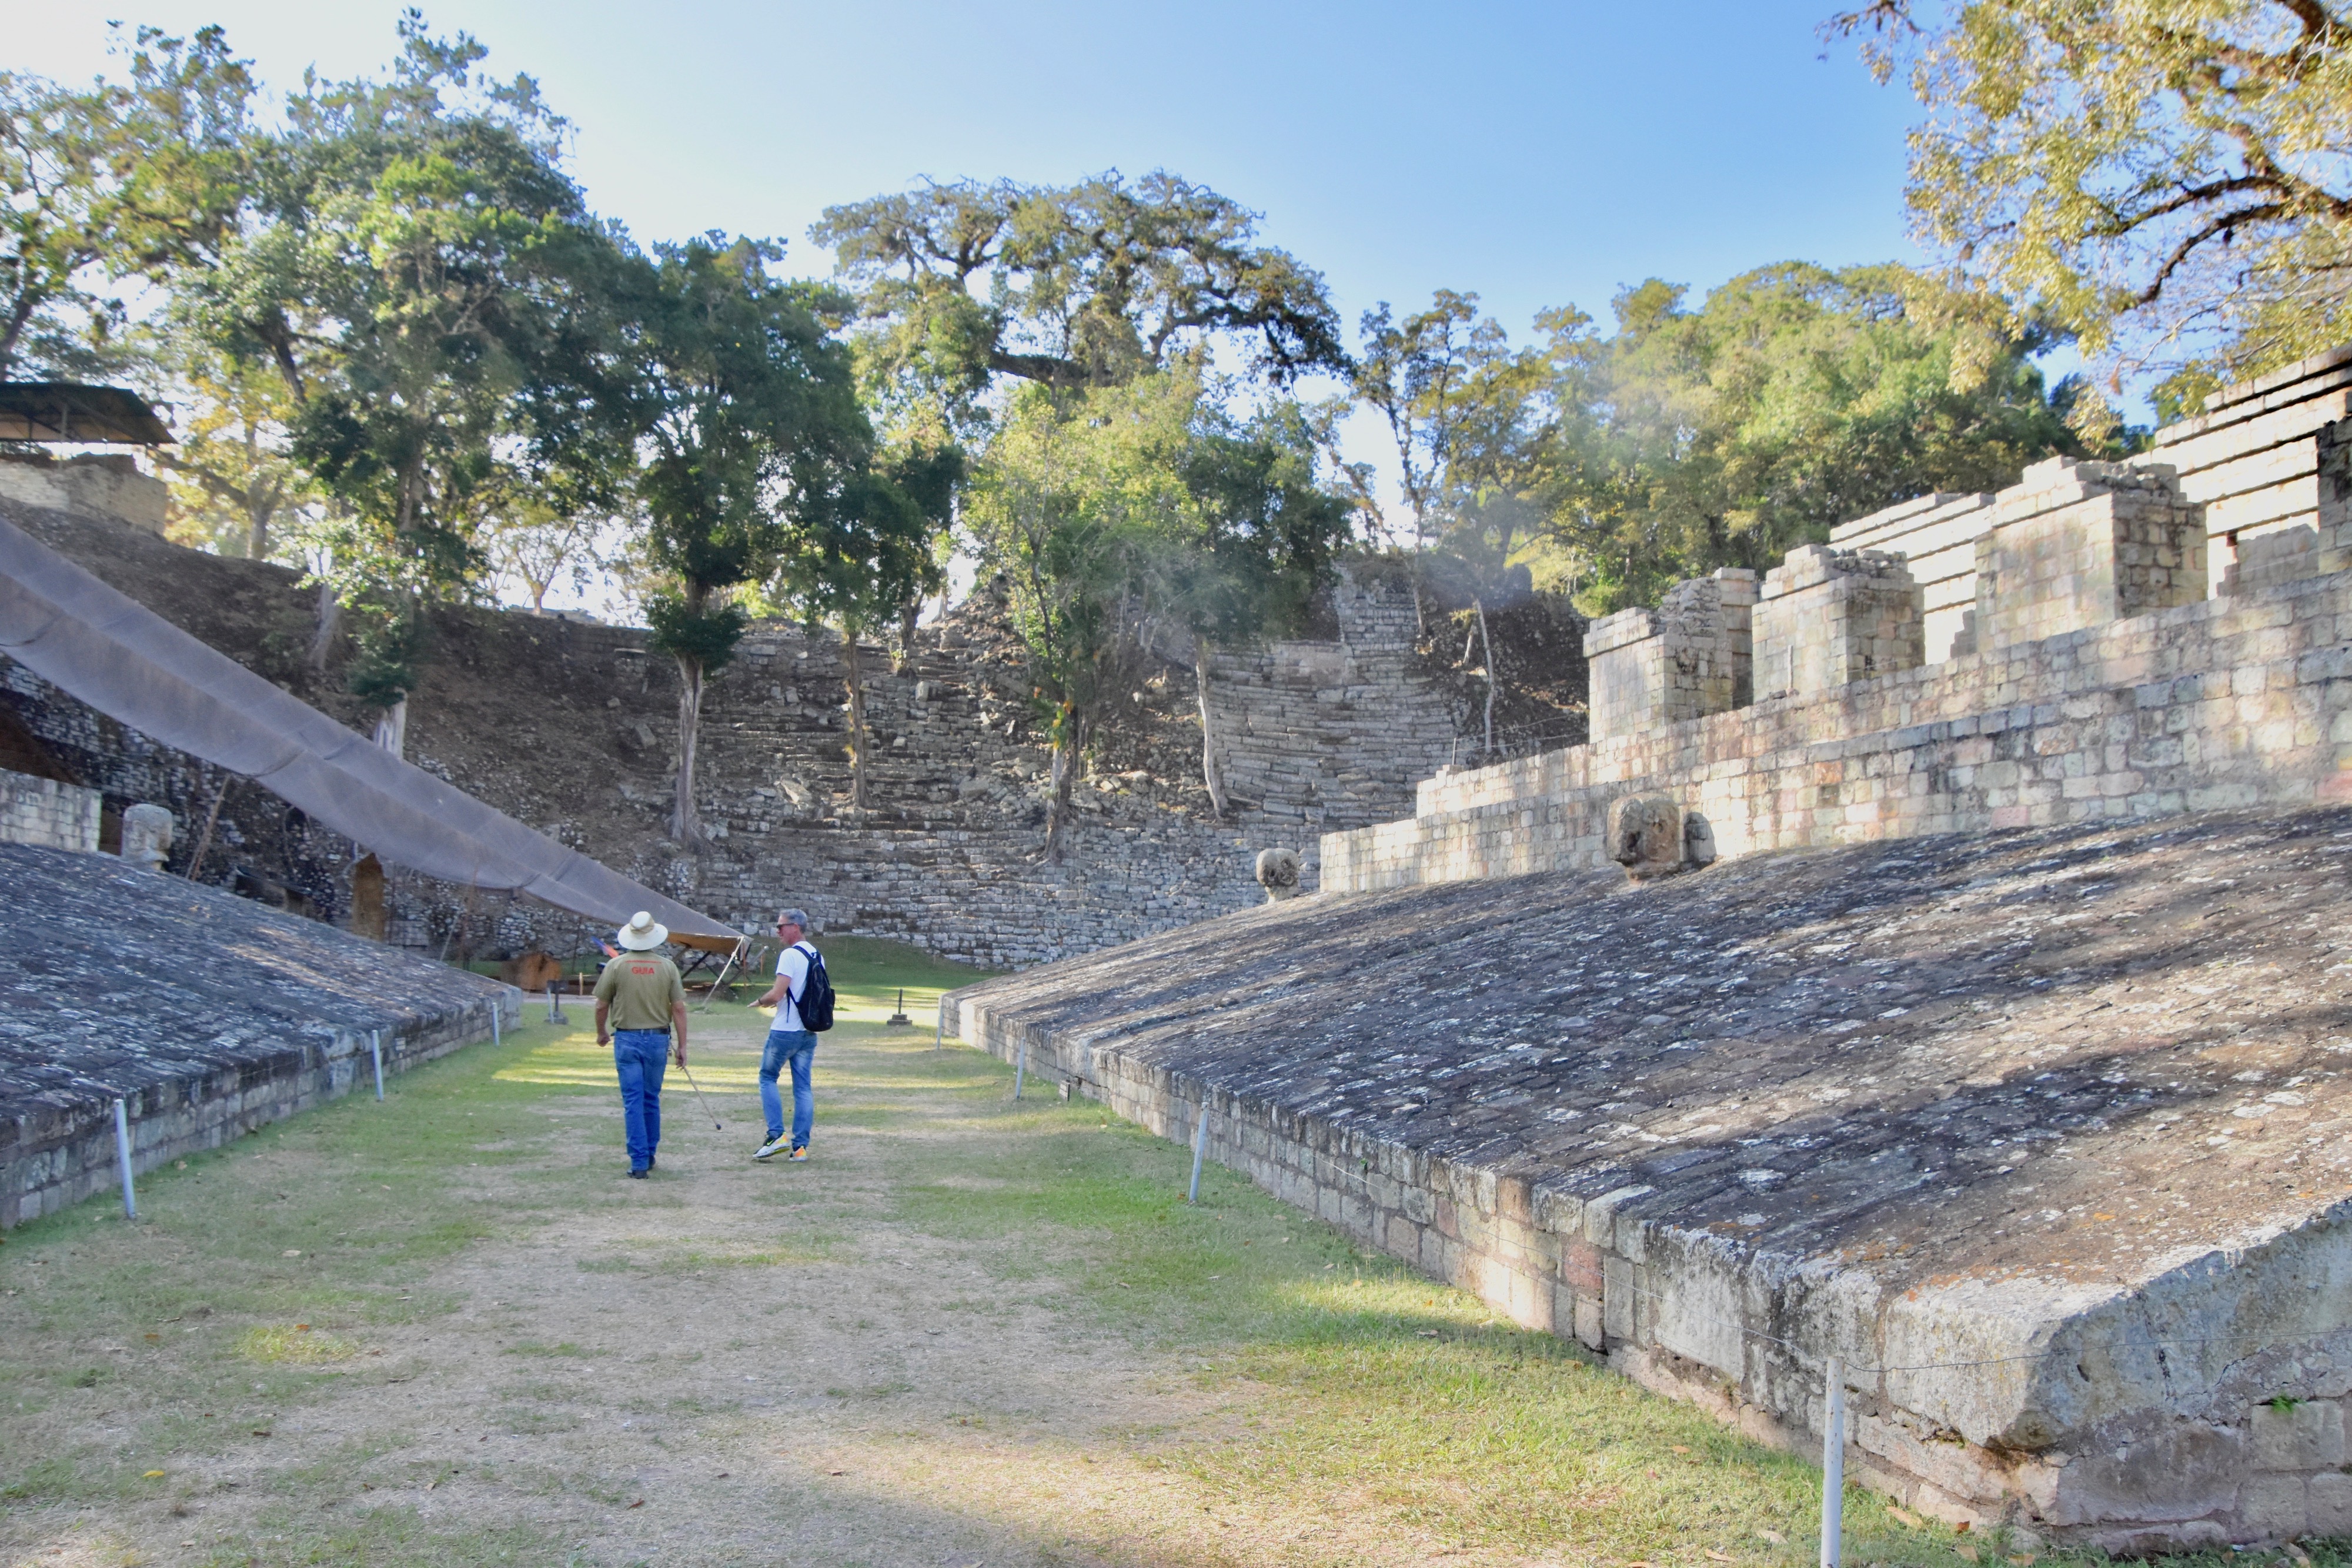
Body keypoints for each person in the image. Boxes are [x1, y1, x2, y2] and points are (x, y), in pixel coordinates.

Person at [593, 911, 687, 1179]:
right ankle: (650, 1152)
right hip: (658, 1040)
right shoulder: (667, 967)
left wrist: (601, 1032)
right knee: (650, 1099)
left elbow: (602, 1004)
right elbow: (679, 1009)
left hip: (626, 1039)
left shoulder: (616, 966)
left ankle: (638, 1162)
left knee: (633, 1101)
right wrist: (682, 1045)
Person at [754, 908, 820, 1162]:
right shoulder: (816, 954)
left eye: (781, 926)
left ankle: (776, 1135)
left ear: (796, 927)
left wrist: (760, 1001)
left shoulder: (789, 955)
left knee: (767, 1078)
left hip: (786, 1029)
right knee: (803, 1088)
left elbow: (777, 993)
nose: (778, 931)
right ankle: (800, 1147)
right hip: (808, 1030)